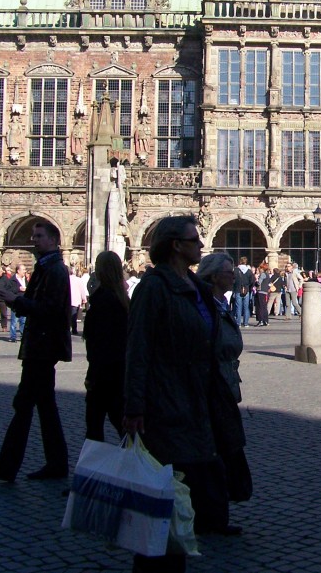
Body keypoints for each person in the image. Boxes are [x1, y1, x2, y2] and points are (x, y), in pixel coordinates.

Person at [124, 216, 244, 573]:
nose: (200, 246)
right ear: (175, 245)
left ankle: (177, 551)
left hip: (198, 401)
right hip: (166, 404)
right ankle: (154, 561)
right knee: (163, 495)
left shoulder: (194, 286)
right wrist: (133, 406)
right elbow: (137, 350)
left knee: (186, 491)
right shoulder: (154, 287)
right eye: (194, 240)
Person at [0, 221, 72, 482]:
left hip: (42, 347)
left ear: (53, 239)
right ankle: (55, 463)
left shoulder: (54, 269)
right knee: (42, 406)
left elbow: (50, 309)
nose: (34, 240)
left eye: (39, 236)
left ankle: (8, 466)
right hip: (41, 346)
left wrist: (17, 300)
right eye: (33, 235)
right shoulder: (48, 266)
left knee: (25, 405)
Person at [197, 252, 253, 506]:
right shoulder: (207, 306)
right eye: (229, 273)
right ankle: (214, 504)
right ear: (215, 276)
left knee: (223, 443)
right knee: (219, 444)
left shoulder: (219, 303)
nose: (234, 277)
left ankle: (218, 502)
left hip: (224, 380)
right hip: (214, 383)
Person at [82, 251, 128, 441]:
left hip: (104, 374)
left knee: (95, 426)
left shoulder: (103, 300)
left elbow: (98, 344)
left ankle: (94, 467)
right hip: (120, 372)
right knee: (119, 422)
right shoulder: (124, 300)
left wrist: (92, 375)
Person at [232, 256, 254, 327]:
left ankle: (238, 323)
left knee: (238, 307)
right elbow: (252, 281)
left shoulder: (235, 270)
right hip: (246, 290)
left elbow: (232, 280)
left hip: (238, 290)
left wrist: (234, 288)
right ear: (246, 262)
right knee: (246, 307)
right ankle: (246, 323)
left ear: (240, 261)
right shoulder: (249, 271)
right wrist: (248, 287)